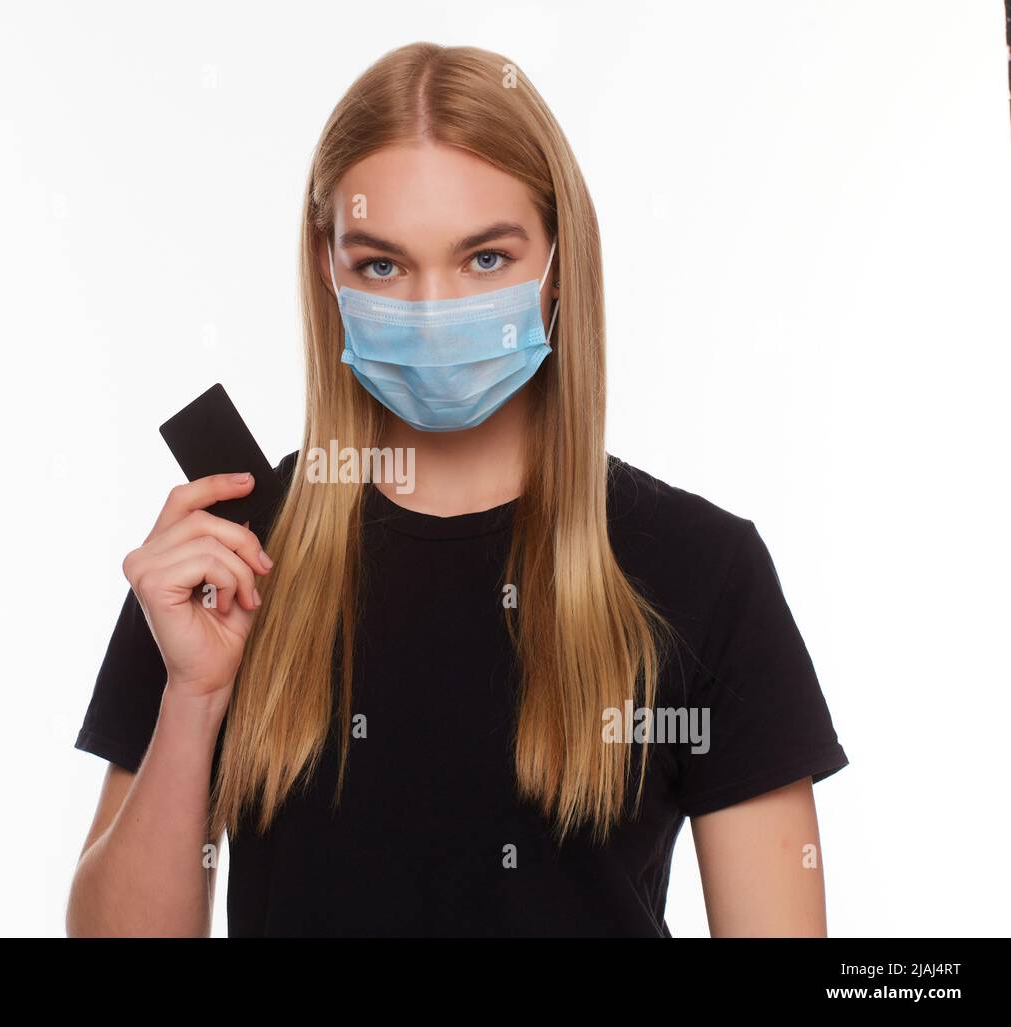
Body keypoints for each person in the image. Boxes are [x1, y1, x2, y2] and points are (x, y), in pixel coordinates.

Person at [65, 42, 849, 938]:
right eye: (383, 265)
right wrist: (194, 698)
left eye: (484, 260)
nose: (435, 310)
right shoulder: (229, 553)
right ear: (330, 271)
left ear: (559, 261)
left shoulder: (704, 570)